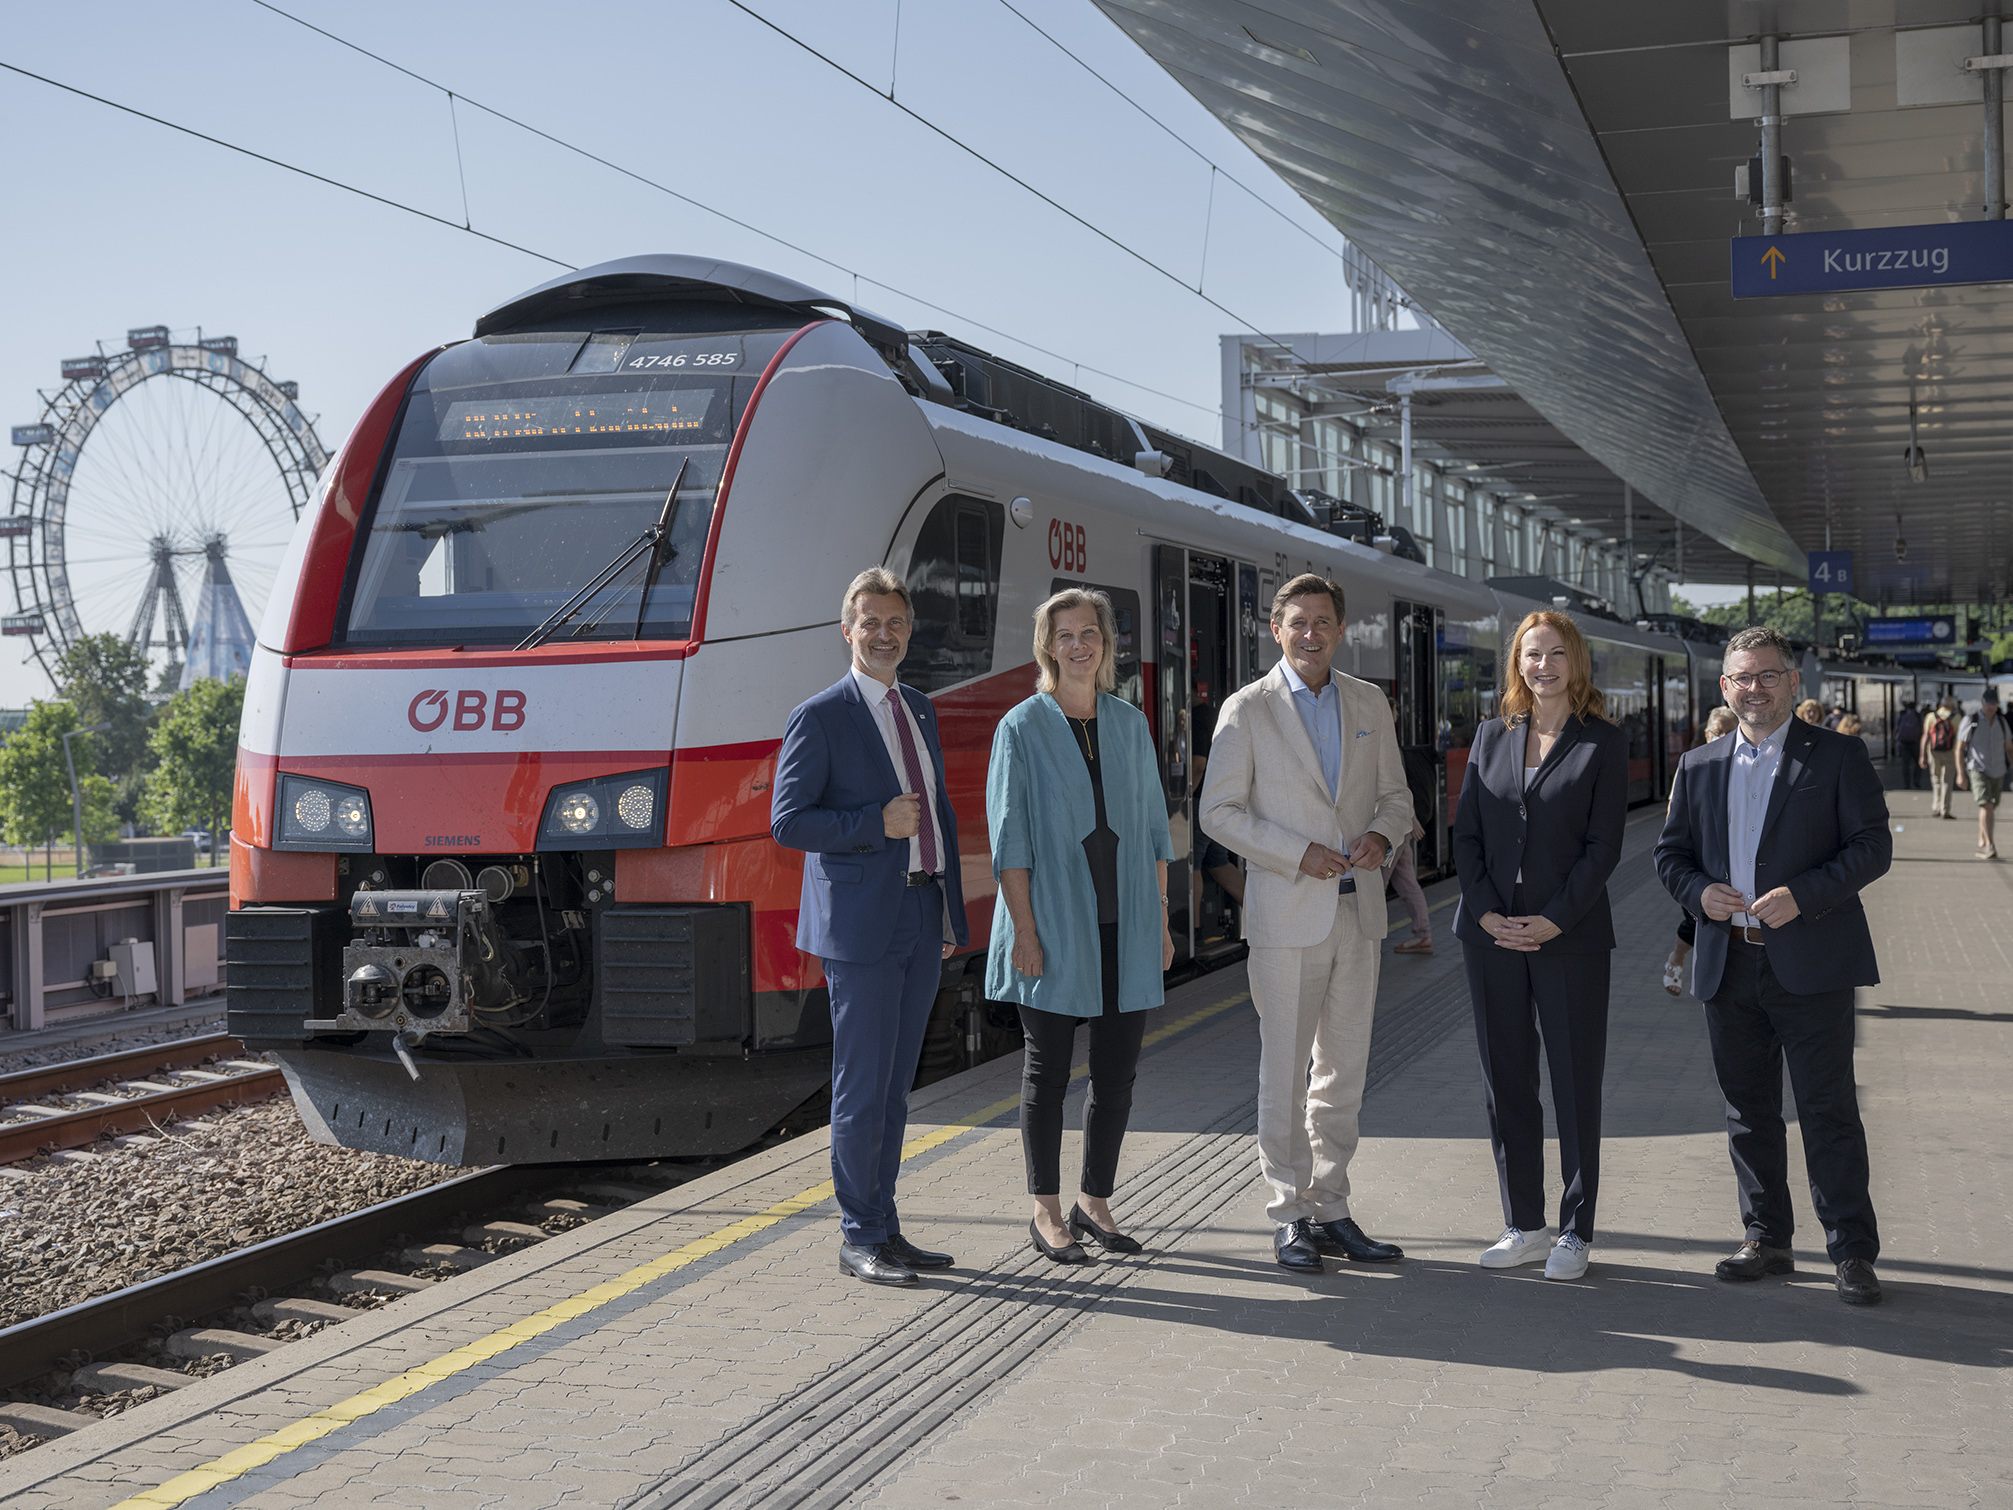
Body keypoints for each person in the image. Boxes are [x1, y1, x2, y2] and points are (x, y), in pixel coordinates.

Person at [1654, 625, 1891, 1307]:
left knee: (1826, 1110)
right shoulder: (1698, 765)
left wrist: (1804, 896)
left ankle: (1849, 1250)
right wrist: (1697, 893)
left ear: (1792, 682)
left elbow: (1872, 847)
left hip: (1811, 962)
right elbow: (1669, 856)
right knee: (1746, 1111)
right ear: (1722, 688)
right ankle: (1765, 1237)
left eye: (1765, 675)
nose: (1752, 689)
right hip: (1729, 963)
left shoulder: (1838, 756)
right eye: (1739, 678)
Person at [1198, 573, 1414, 1272]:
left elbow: (1396, 797)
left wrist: (1382, 838)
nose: (1311, 633)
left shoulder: (1368, 701)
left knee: (1342, 1074)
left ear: (1340, 628)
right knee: (1285, 1071)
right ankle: (1287, 1213)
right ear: (1275, 629)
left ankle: (1332, 1207)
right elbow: (1217, 813)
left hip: (1360, 915)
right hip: (1287, 915)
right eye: (1298, 622)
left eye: (1323, 621)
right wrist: (1296, 853)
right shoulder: (1246, 709)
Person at [771, 567, 969, 1287]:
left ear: (908, 632)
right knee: (860, 1086)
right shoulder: (819, 715)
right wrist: (871, 824)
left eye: (895, 623)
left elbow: (938, 816)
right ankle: (859, 1236)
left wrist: (947, 910)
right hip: (859, 927)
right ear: (846, 631)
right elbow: (788, 822)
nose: (882, 634)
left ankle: (886, 1228)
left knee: (893, 1086)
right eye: (869, 623)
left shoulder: (917, 706)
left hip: (919, 913)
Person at [986, 589, 1175, 1263]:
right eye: (1063, 634)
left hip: (1122, 927)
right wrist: (1025, 933)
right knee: (1047, 1074)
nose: (1077, 644)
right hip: (1053, 927)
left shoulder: (1128, 723)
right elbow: (1008, 842)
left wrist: (1158, 922)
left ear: (1104, 643)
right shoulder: (1020, 727)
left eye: (1087, 632)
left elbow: (1155, 832)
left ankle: (1093, 1202)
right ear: (1047, 646)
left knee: (1117, 1076)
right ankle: (1043, 1212)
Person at [1452, 610, 1628, 1281]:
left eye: (1556, 654)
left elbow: (1602, 847)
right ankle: (1522, 1223)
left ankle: (1574, 1231)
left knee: (1573, 1082)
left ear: (1575, 662)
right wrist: (1487, 913)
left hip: (1569, 935)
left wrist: (1553, 919)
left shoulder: (1602, 742)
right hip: (1491, 934)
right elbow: (1464, 833)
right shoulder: (1492, 735)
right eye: (1531, 655)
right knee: (1507, 1083)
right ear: (1516, 664)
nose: (1543, 666)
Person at [1662, 706, 1740, 995]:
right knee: (1696, 918)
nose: (1720, 737)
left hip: (1732, 866)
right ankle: (1678, 959)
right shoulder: (1692, 767)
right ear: (1706, 734)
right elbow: (1674, 821)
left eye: (1727, 732)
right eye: (1715, 732)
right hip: (1698, 867)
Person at [1956, 688, 2013, 861]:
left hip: (1998, 770)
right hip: (1977, 768)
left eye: (1994, 704)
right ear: (1982, 703)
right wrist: (1961, 774)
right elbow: (1959, 748)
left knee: (1991, 807)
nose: (1991, 707)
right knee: (1986, 805)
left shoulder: (2002, 723)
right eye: (1989, 704)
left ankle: (1982, 837)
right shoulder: (1970, 721)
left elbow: (2009, 748)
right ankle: (1989, 845)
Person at [1922, 703, 1960, 819]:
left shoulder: (1931, 716)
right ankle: (1945, 809)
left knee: (1936, 779)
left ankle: (1936, 807)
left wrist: (1922, 755)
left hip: (1933, 752)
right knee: (1947, 780)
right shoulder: (1957, 717)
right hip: (1950, 752)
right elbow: (1959, 738)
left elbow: (1926, 736)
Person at [1894, 701, 1923, 790]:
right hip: (1915, 743)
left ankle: (1907, 783)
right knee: (1918, 763)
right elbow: (1922, 728)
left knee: (1905, 765)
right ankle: (1916, 781)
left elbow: (1897, 728)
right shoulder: (1918, 716)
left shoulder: (1902, 715)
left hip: (1904, 743)